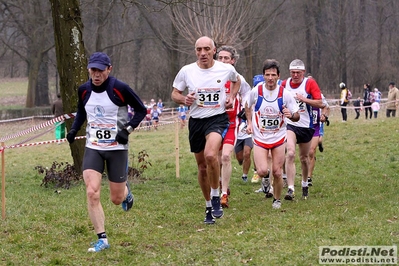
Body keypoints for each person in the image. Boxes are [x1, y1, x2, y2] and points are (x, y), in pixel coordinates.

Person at [66, 52, 147, 252]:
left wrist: (126, 130)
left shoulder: (120, 88)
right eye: (93, 70)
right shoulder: (84, 90)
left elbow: (141, 110)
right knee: (92, 191)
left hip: (116, 149)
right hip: (93, 147)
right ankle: (102, 239)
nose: (96, 74)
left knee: (115, 199)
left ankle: (126, 193)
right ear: (88, 70)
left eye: (100, 70)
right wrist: (74, 130)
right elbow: (82, 111)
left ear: (109, 70)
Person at [171, 36, 240, 224]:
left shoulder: (226, 69)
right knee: (202, 167)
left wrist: (231, 97)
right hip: (196, 121)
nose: (203, 53)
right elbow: (175, 93)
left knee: (211, 156)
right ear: (195, 51)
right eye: (199, 49)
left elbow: (237, 81)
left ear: (214, 50)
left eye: (206, 49)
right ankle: (209, 205)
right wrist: (183, 99)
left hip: (217, 118)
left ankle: (217, 195)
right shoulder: (187, 71)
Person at [245, 59, 299, 209]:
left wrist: (291, 115)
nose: (270, 78)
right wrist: (249, 122)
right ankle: (265, 180)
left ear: (278, 76)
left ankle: (276, 199)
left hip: (278, 137)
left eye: (273, 75)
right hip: (260, 137)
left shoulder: (285, 94)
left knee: (277, 171)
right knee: (262, 171)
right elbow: (247, 106)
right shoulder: (256, 91)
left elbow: (297, 115)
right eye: (267, 74)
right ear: (263, 76)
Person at [281, 59, 323, 200]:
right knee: (291, 153)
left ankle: (304, 183)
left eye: (298, 72)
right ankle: (291, 189)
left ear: (303, 72)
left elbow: (320, 103)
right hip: (290, 124)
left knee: (304, 158)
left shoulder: (309, 83)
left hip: (306, 126)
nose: (295, 75)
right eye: (293, 72)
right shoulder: (285, 84)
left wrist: (304, 99)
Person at [216, 45, 251, 208]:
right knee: (215, 158)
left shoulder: (238, 78)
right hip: (214, 122)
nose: (222, 61)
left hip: (231, 123)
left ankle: (223, 195)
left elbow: (247, 93)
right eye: (220, 58)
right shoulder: (212, 75)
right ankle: (222, 183)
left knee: (225, 157)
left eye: (226, 58)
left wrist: (244, 108)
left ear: (233, 61)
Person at [308, 94, 329, 186]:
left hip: (316, 127)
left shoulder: (319, 96)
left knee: (311, 151)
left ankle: (309, 177)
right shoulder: (302, 94)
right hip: (304, 127)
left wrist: (324, 116)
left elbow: (326, 107)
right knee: (303, 155)